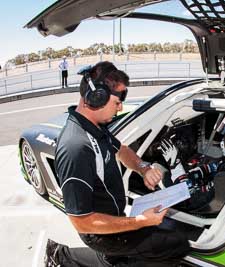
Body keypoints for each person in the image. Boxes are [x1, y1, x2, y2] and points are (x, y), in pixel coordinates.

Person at [47, 61, 190, 266]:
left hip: (115, 217)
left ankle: (64, 256)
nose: (121, 106)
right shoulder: (75, 148)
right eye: (118, 101)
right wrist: (140, 222)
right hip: (100, 233)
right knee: (175, 244)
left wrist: (143, 169)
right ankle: (65, 258)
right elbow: (81, 221)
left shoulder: (95, 127)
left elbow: (121, 149)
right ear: (97, 98)